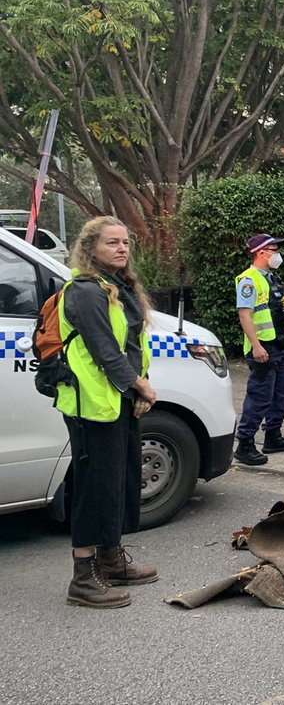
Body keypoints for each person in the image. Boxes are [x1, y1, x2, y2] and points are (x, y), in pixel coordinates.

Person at [56, 216, 159, 608]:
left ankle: (111, 561)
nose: (121, 248)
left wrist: (138, 387)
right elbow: (104, 351)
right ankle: (82, 580)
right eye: (112, 243)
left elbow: (133, 346)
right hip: (91, 405)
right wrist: (141, 385)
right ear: (90, 249)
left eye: (125, 242)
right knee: (93, 489)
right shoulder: (84, 291)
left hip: (117, 400)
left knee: (119, 482)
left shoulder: (120, 287)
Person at [233, 233, 284, 466]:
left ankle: (273, 437)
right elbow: (245, 314)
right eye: (273, 250)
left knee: (282, 393)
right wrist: (255, 346)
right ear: (261, 252)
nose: (277, 254)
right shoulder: (248, 280)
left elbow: (274, 311)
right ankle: (245, 444)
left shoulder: (272, 278)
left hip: (279, 344)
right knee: (260, 396)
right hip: (262, 347)